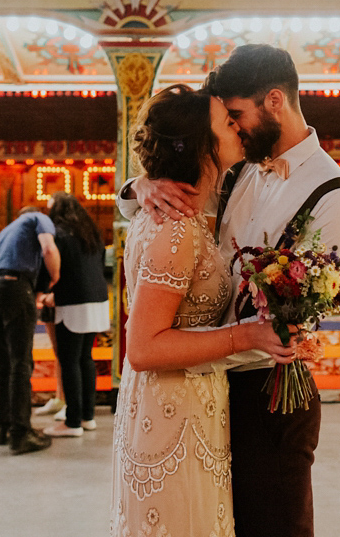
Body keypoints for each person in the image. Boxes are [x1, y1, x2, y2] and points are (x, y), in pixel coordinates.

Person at [120, 45, 340, 537]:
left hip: (267, 395)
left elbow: (305, 315)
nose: (233, 128)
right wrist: (140, 185)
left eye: (237, 116)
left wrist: (254, 336)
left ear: (275, 101)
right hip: (204, 387)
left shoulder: (334, 197)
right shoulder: (239, 167)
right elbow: (172, 208)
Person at [113, 83, 297, 537]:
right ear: (202, 143)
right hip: (173, 408)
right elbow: (142, 348)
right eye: (226, 122)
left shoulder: (191, 208)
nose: (237, 127)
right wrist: (249, 335)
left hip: (193, 401)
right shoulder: (175, 227)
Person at [0, 204, 61, 454]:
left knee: (3, 363)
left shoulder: (7, 229)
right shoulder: (39, 218)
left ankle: (5, 429)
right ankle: (21, 434)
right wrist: (55, 276)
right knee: (21, 363)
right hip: (15, 285)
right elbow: (49, 248)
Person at [41, 192, 110, 438]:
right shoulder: (91, 233)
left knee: (69, 360)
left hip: (72, 300)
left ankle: (72, 422)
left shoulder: (58, 234)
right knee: (85, 359)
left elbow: (55, 267)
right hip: (98, 298)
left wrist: (47, 291)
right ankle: (87, 416)